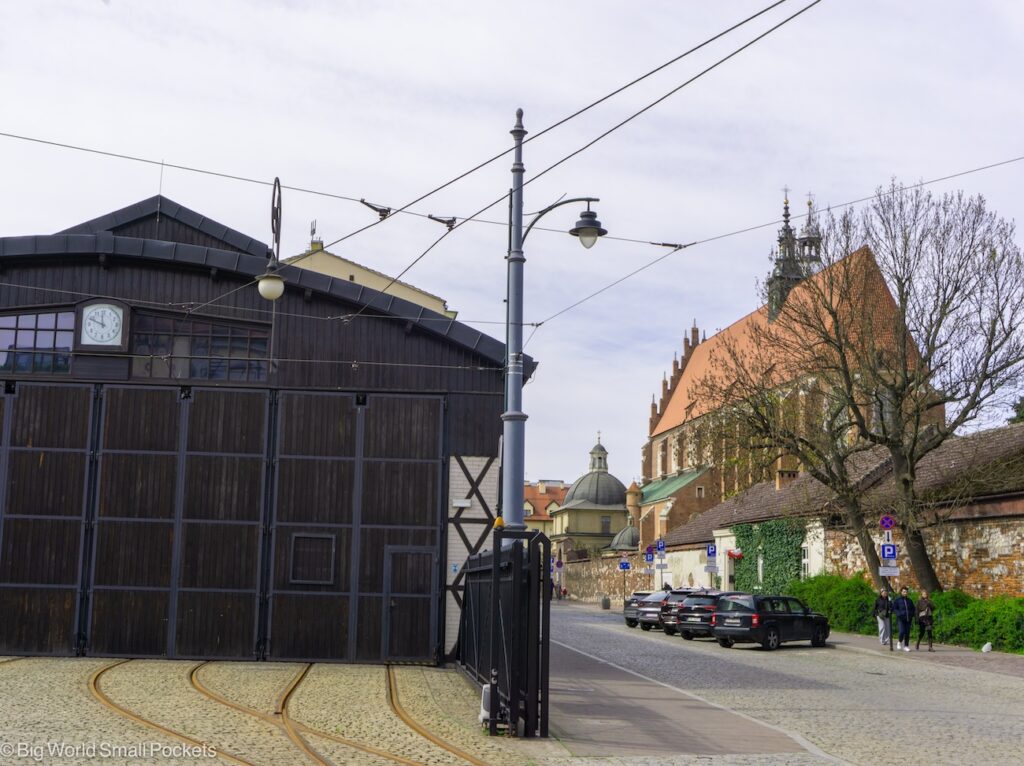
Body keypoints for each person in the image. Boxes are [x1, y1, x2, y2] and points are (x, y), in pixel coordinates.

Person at [892, 586, 915, 652]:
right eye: (904, 592)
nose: (905, 593)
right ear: (901, 592)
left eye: (906, 592)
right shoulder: (897, 600)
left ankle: (906, 646)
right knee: (902, 631)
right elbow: (895, 608)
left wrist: (912, 615)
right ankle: (899, 642)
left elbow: (913, 609)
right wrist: (899, 614)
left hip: (908, 619)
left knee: (907, 633)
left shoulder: (909, 600)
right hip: (901, 619)